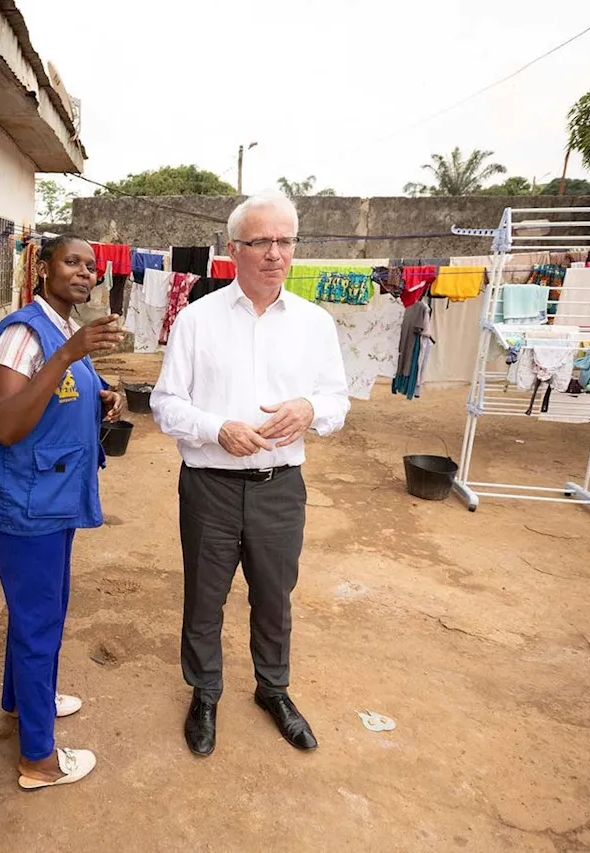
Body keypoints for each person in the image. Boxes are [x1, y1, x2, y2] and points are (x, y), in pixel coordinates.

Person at [151, 191, 350, 757]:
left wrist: (311, 410)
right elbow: (166, 405)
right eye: (261, 241)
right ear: (233, 249)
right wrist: (218, 429)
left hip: (279, 488)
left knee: (274, 595)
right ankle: (206, 692)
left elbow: (336, 401)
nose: (274, 253)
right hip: (210, 487)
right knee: (204, 596)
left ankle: (273, 690)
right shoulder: (196, 320)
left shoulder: (315, 323)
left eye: (285, 240)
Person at [0, 235, 125, 788]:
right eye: (71, 262)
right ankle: (37, 759)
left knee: (44, 609)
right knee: (40, 621)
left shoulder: (61, 331)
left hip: (54, 497)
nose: (84, 272)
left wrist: (103, 393)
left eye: (91, 265)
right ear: (43, 267)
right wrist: (69, 354)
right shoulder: (22, 335)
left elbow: (62, 388)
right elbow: (8, 424)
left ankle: (21, 701)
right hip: (27, 502)